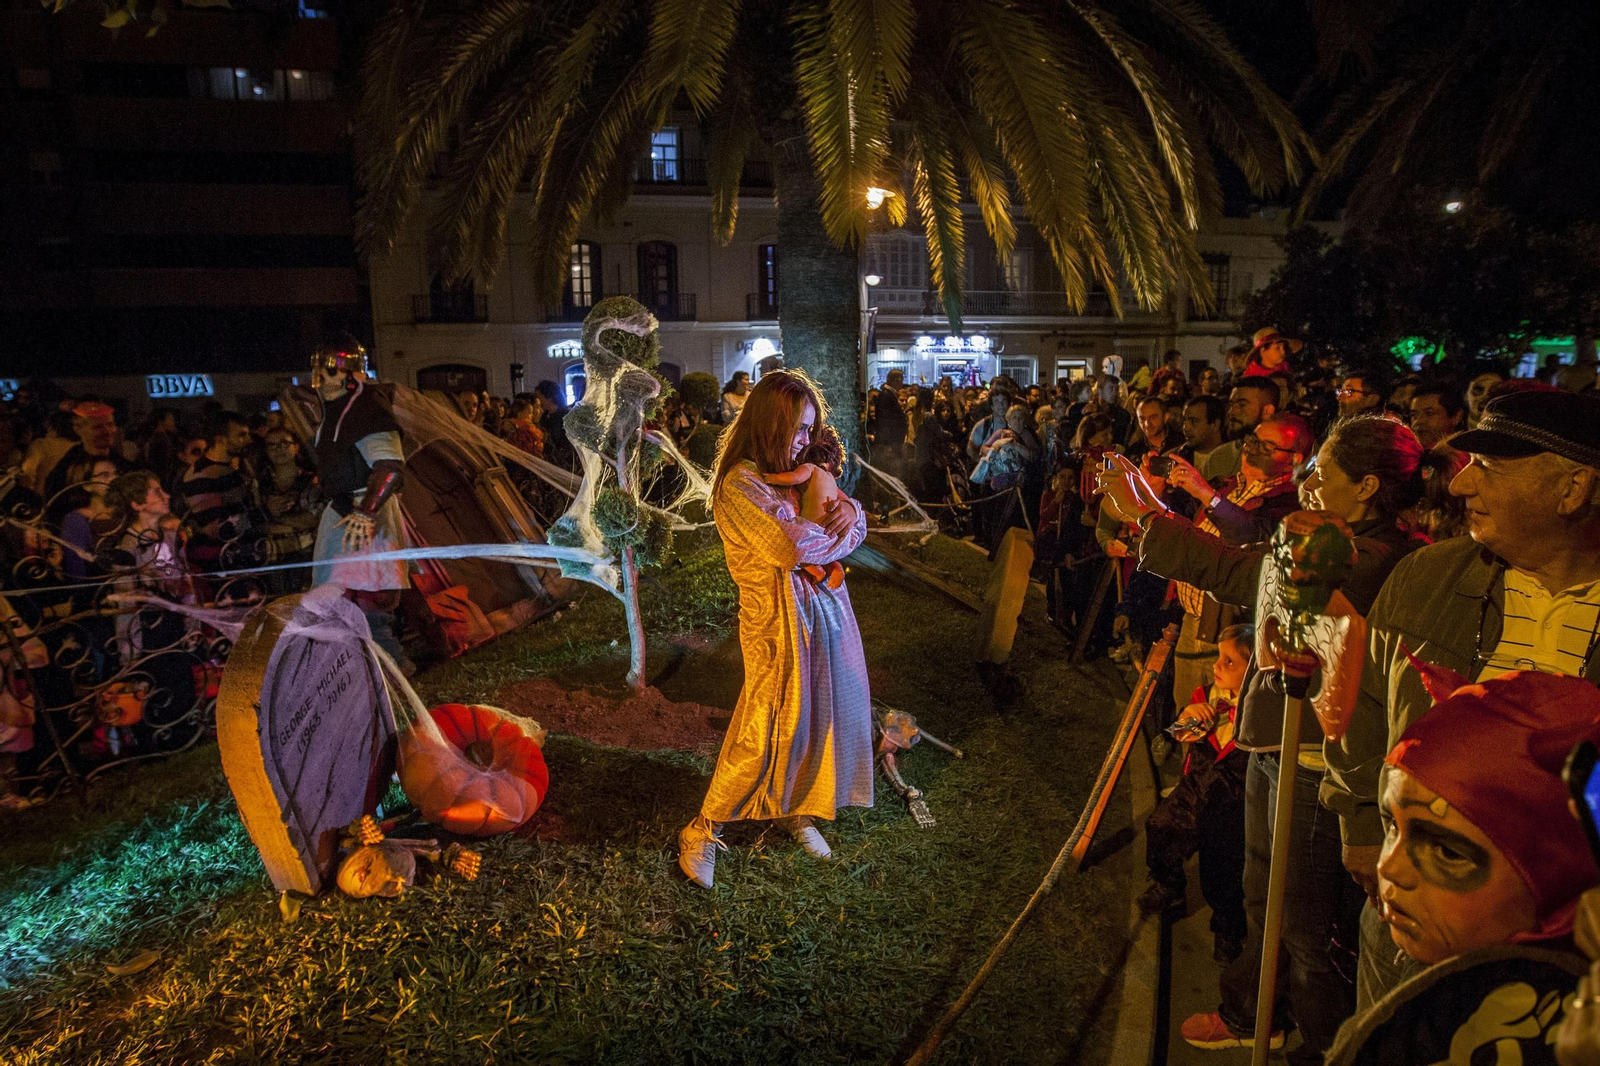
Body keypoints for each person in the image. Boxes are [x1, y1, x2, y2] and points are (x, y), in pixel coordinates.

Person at [1105, 413, 1427, 1062]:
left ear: (1366, 487)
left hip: (1318, 765)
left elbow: (1248, 575)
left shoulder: (1375, 560)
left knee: (1308, 931)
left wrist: (1147, 518)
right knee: (1264, 896)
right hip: (1275, 746)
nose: (1306, 483)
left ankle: (1324, 1047)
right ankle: (1256, 1014)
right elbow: (1244, 565)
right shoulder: (1327, 537)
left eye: (1321, 472)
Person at [1323, 389, 1600, 1013]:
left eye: (1489, 468)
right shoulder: (1425, 578)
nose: (1460, 486)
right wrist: (1362, 824)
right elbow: (1364, 707)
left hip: (1573, 942)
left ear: (1574, 488)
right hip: (1413, 915)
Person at [678, 371, 869, 889]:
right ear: (769, 424)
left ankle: (797, 810)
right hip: (775, 622)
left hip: (825, 611)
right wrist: (837, 529)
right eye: (798, 428)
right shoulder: (740, 484)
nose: (806, 440)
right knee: (763, 723)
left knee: (817, 716)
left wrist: (848, 510)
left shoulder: (800, 471)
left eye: (811, 429)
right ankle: (704, 826)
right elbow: (788, 548)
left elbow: (852, 530)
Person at [1140, 624, 1255, 964]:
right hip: (1195, 790)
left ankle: (1227, 928)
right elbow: (1181, 734)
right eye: (1219, 658)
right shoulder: (1206, 698)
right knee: (1161, 826)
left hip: (1232, 803)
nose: (1217, 666)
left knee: (1225, 868)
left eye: (1230, 663)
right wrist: (1188, 718)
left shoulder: (1261, 716)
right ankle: (1169, 883)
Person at [297, 344, 414, 671]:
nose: (322, 378)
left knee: (367, 602)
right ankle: (361, 679)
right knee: (339, 601)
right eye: (321, 370)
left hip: (364, 518)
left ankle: (394, 680)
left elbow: (389, 467)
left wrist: (366, 511)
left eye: (331, 370)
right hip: (345, 513)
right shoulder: (338, 409)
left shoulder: (366, 409)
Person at [180, 412, 257, 574]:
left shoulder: (232, 470)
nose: (249, 440)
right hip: (221, 564)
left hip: (239, 559)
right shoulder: (201, 476)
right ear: (221, 439)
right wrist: (266, 513)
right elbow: (214, 529)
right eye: (241, 435)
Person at [257, 429, 322, 593]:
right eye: (272, 445)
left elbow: (314, 518)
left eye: (284, 443)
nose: (278, 449)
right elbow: (256, 522)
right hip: (272, 558)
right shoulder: (259, 483)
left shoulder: (311, 480)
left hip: (307, 555)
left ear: (296, 447)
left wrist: (275, 516)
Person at [1206, 379, 1279, 483]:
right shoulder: (1219, 456)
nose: (1231, 412)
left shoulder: (1282, 457)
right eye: (1231, 405)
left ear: (1267, 411)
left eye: (1242, 405)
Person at [1407, 380, 1466, 450]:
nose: (1418, 422)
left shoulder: (1470, 458)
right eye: (1414, 415)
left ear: (1456, 417)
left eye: (1429, 413)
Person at [1181, 395, 1226, 472]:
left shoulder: (1236, 459)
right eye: (1185, 421)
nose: (1186, 428)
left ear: (1215, 424)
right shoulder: (1175, 459)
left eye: (1194, 421)